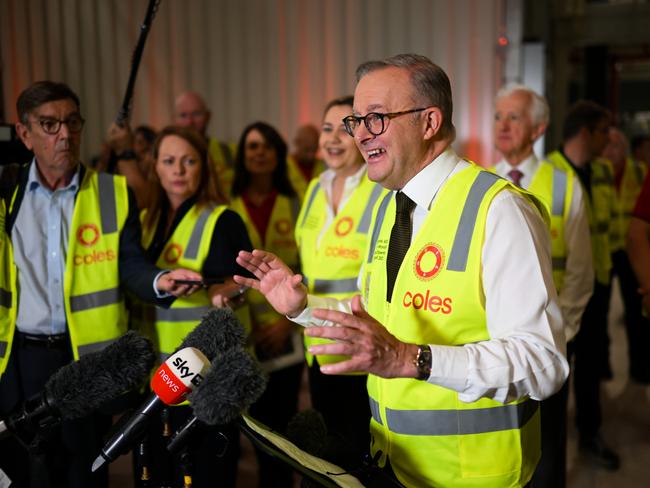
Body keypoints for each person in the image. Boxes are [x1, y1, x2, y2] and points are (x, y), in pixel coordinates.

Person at [234, 54, 568, 488]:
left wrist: (411, 360)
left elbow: (544, 364)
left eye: (376, 119)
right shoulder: (392, 207)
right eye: (357, 121)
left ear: (429, 122)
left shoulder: (499, 210)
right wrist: (304, 308)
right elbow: (382, 321)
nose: (360, 136)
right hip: (395, 463)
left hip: (473, 477)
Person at [0, 81, 201, 488]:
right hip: (23, 358)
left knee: (87, 469)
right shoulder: (6, 190)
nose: (64, 135)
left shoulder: (112, 192)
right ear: (24, 134)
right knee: (32, 471)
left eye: (72, 123)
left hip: (89, 361)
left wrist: (161, 280)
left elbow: (131, 266)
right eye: (49, 124)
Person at [131, 125, 252, 488]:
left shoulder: (223, 220)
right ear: (155, 167)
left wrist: (228, 291)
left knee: (206, 477)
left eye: (189, 161)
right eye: (169, 161)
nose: (179, 170)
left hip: (205, 380)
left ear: (204, 167)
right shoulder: (143, 222)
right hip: (154, 379)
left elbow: (246, 281)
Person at [493, 84, 593, 488]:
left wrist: (559, 336)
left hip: (549, 346)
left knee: (547, 449)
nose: (502, 126)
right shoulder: (478, 181)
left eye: (513, 117)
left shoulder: (564, 183)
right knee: (501, 443)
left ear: (538, 128)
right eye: (498, 116)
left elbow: (582, 273)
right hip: (494, 343)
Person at [295, 96, 383, 469]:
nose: (333, 138)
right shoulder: (316, 186)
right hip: (316, 341)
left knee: (360, 453)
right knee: (329, 454)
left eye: (344, 129)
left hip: (359, 345)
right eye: (327, 129)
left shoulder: (379, 189)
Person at [546, 100, 620, 470]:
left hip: (599, 284)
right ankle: (551, 452)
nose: (609, 138)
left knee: (590, 368)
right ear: (585, 132)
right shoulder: (549, 174)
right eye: (603, 130)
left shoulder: (602, 171)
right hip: (558, 298)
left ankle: (590, 434)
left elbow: (609, 228)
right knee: (556, 376)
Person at [229, 121, 304, 487]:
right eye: (252, 146)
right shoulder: (227, 206)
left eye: (266, 146)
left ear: (278, 155)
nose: (259, 153)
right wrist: (254, 327)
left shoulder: (296, 202)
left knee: (283, 430)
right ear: (242, 156)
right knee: (254, 430)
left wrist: (286, 322)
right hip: (245, 338)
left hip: (287, 334)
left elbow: (308, 270)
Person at [603, 127, 650, 384]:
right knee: (599, 312)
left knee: (635, 311)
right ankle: (604, 366)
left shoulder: (640, 171)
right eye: (607, 146)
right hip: (606, 250)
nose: (611, 151)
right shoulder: (598, 172)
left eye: (616, 146)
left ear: (625, 149)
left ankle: (639, 366)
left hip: (631, 250)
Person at [174, 91, 235, 196]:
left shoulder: (231, 152)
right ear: (174, 119)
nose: (190, 122)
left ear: (208, 116)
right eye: (183, 115)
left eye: (196, 114)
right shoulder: (166, 156)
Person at [287, 123, 325, 199]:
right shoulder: (283, 167)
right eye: (306, 150)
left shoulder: (324, 166)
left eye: (314, 150)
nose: (310, 155)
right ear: (296, 142)